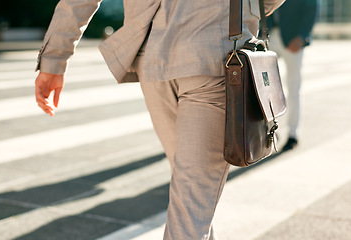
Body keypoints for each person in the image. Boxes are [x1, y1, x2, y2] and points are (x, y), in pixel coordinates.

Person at [34, 0, 285, 239]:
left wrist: (54, 59)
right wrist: (243, 13)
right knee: (192, 203)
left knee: (191, 199)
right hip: (215, 54)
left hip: (155, 58)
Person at [266, 0, 318, 150]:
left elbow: (312, 8)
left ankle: (293, 134)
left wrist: (302, 36)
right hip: (268, 37)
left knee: (293, 88)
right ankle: (271, 129)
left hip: (293, 39)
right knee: (266, 88)